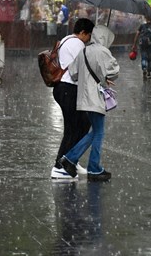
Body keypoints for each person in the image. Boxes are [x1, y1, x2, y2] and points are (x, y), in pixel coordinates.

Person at [60, 25, 120, 181]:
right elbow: (114, 71)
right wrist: (104, 76)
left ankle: (70, 159)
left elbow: (73, 74)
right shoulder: (103, 51)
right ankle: (91, 167)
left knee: (95, 131)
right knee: (98, 132)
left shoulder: (84, 50)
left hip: (83, 99)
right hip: (95, 98)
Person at [51, 18, 95, 179]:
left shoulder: (66, 40)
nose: (89, 39)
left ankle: (70, 160)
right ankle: (60, 165)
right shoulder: (77, 44)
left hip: (63, 89)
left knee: (80, 125)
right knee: (76, 128)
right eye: (89, 35)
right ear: (83, 32)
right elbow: (84, 67)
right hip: (69, 89)